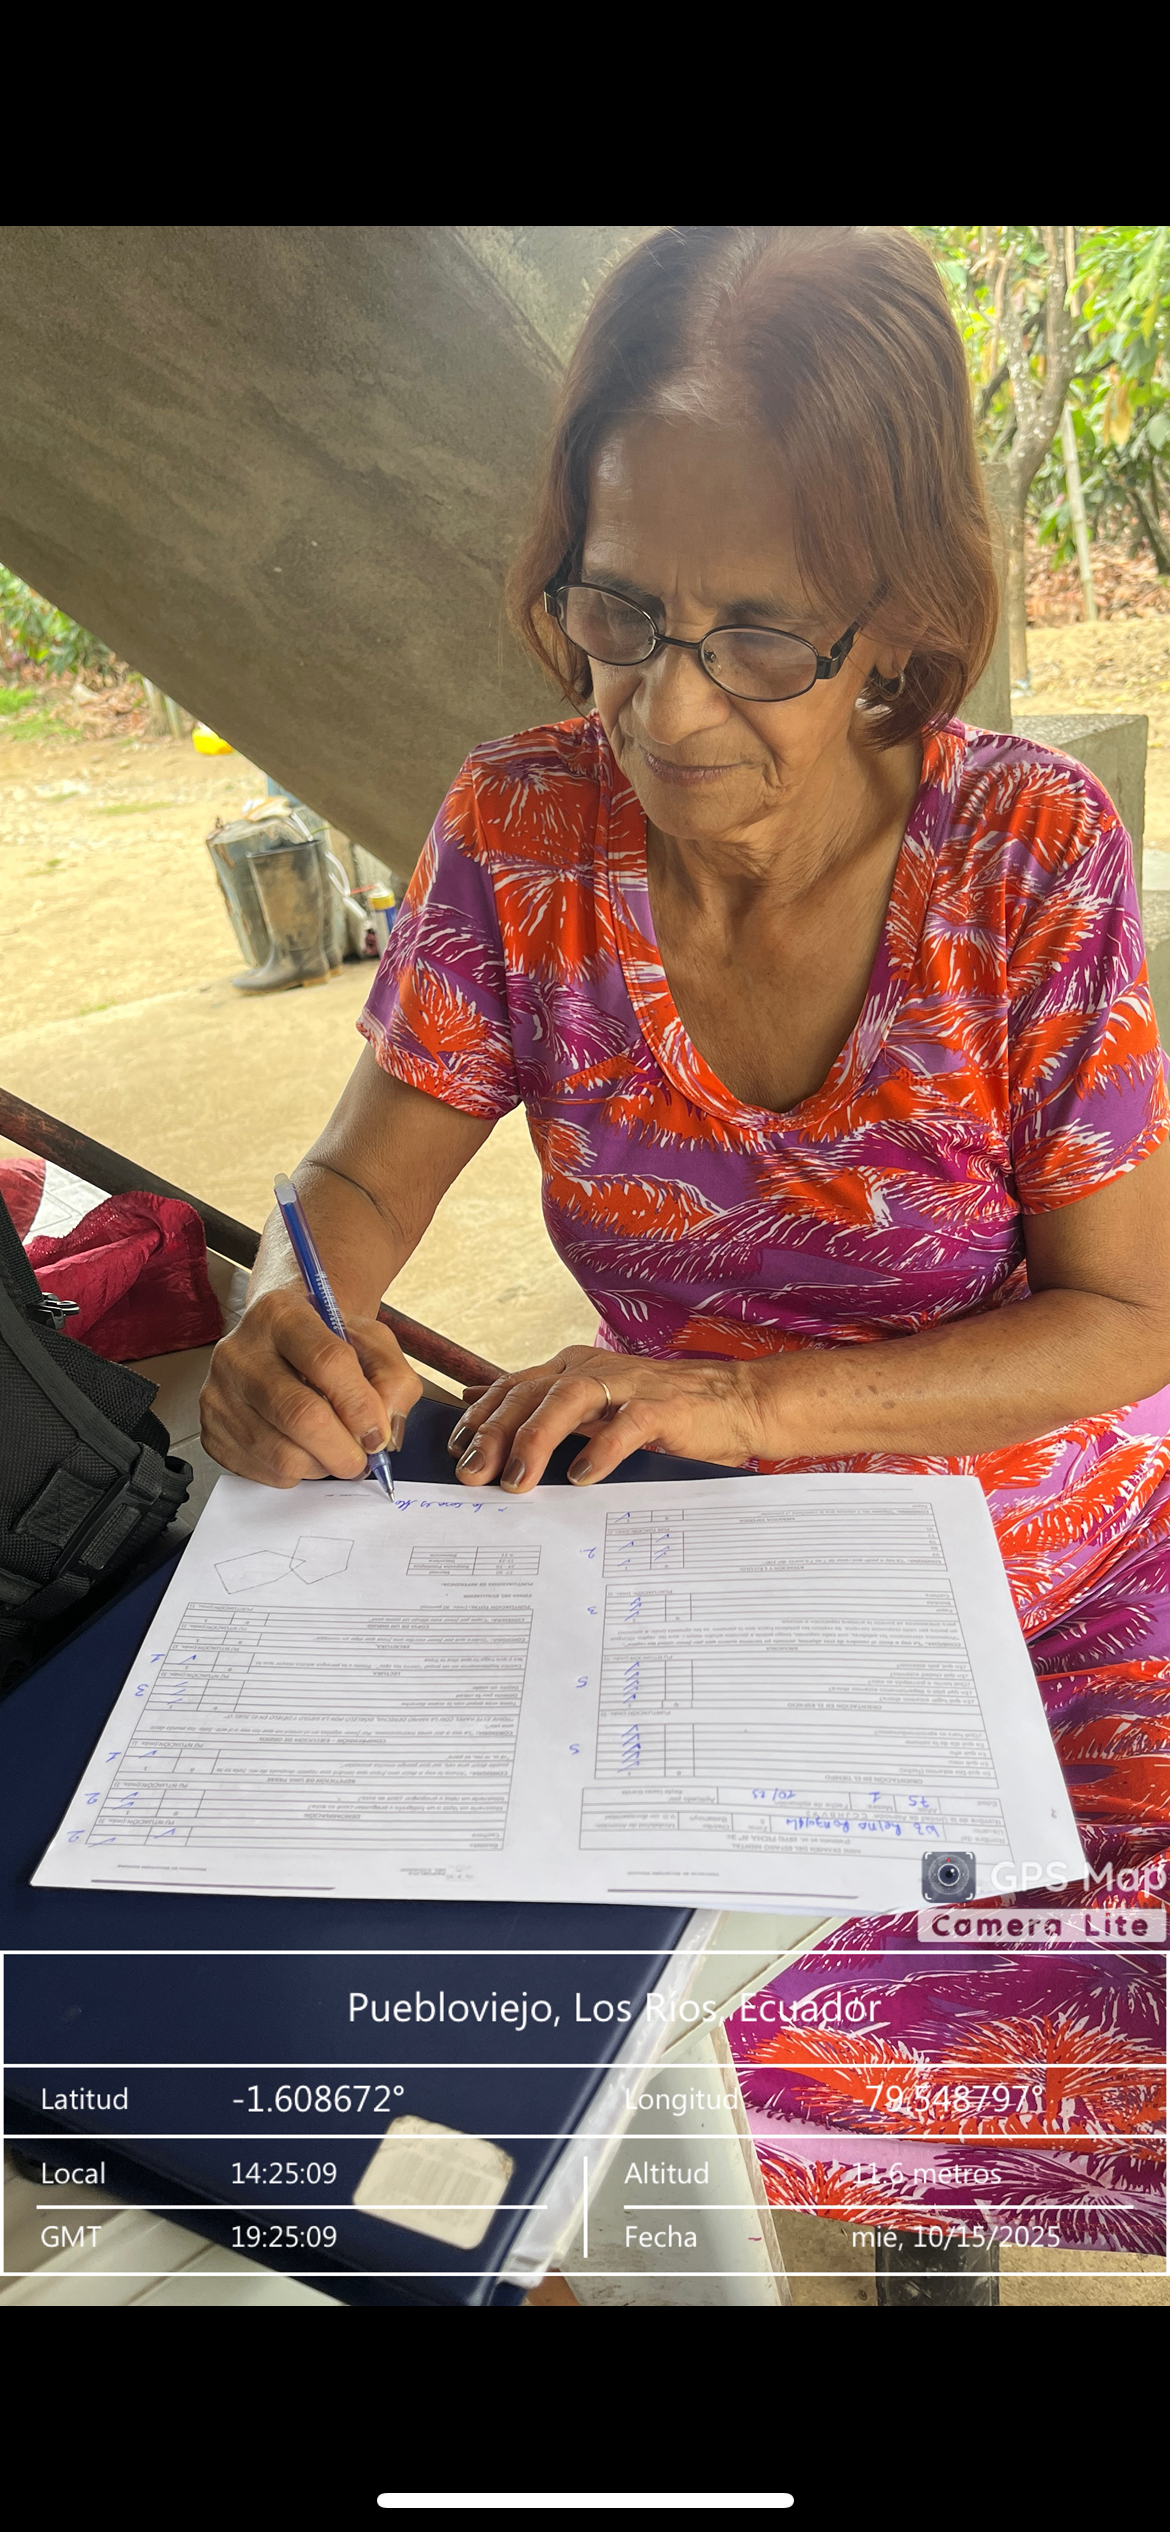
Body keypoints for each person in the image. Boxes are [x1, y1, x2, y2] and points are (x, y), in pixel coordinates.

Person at [201, 226, 1169, 2256]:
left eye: (757, 637)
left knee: (1111, 2048)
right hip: (700, 1597)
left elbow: (1123, 1315)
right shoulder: (520, 834)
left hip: (1059, 1563)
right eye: (620, 608)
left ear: (901, 625)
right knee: (552, 2051)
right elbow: (360, 1181)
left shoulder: (1025, 857)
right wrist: (295, 1304)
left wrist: (732, 1401)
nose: (662, 702)